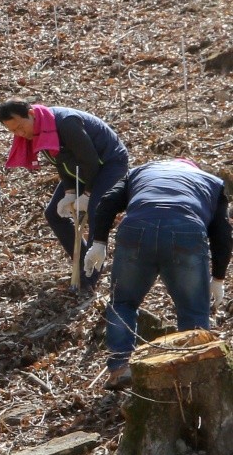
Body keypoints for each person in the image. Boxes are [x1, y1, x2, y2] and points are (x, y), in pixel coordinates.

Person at [86, 157, 231, 388]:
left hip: (137, 228)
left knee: (123, 302)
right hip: (187, 230)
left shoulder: (139, 172)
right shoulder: (210, 182)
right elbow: (223, 233)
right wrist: (218, 277)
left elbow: (107, 201)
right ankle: (192, 377)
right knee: (193, 310)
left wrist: (99, 242)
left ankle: (120, 367)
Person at [0, 99, 130, 286]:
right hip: (80, 168)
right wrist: (69, 191)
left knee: (95, 211)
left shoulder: (66, 123)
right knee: (53, 214)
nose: (20, 134)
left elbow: (91, 161)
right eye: (13, 131)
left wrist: (88, 194)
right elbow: (60, 161)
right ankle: (84, 260)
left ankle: (90, 277)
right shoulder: (38, 130)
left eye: (20, 127)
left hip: (108, 163)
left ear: (32, 114)